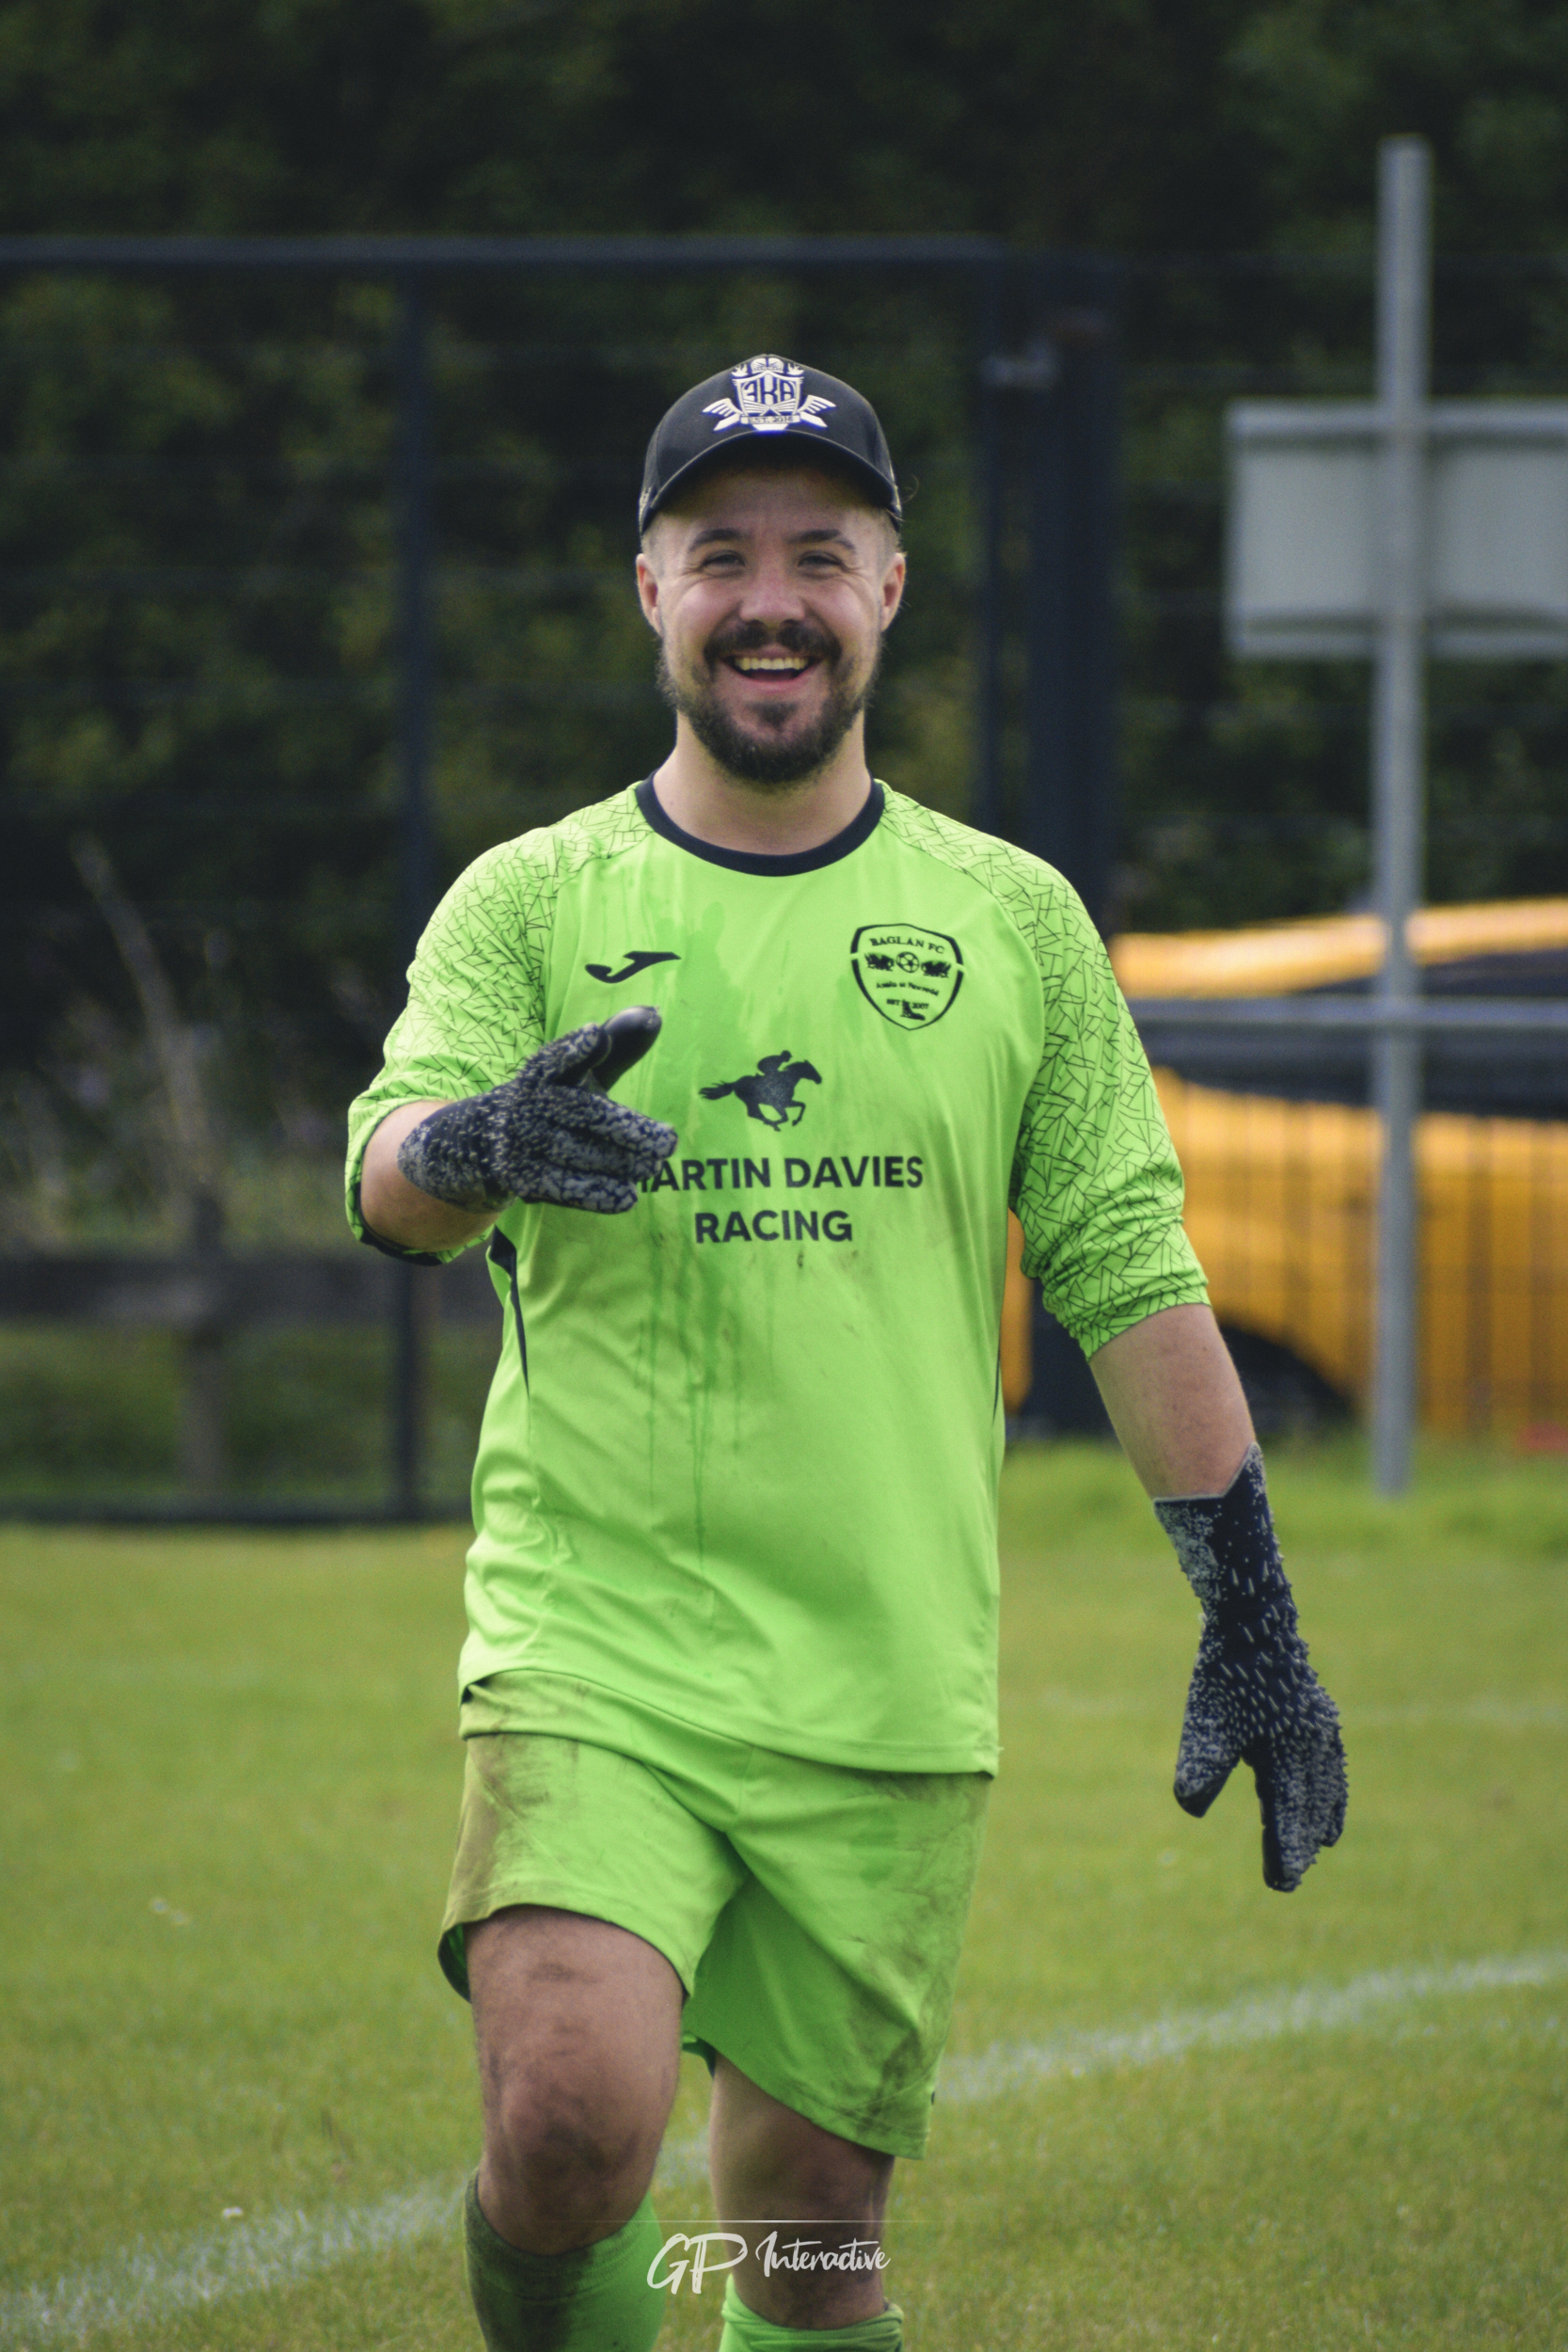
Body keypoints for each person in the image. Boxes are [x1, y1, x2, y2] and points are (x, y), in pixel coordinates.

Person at [346, 353, 1346, 2352]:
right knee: (570, 2116)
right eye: (724, 554)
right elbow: (384, 1174)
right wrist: (474, 1143)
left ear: (892, 587)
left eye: (822, 550)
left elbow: (1132, 1275)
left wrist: (1252, 1604)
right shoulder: (532, 900)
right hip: (598, 1636)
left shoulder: (1016, 923)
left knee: (803, 2227)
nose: (772, 596)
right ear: (652, 591)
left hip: (884, 1670)